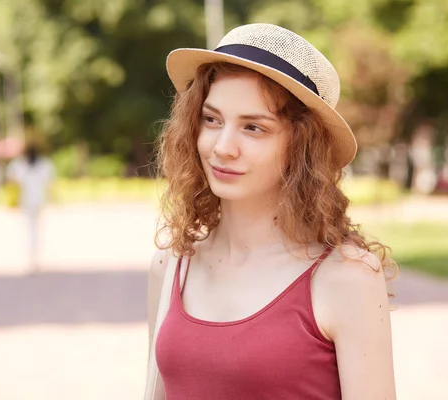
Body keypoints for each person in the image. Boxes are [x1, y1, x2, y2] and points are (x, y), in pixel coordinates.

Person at [146, 23, 398, 400]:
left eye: (253, 128)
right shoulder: (171, 265)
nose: (223, 147)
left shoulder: (347, 279)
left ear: (301, 148)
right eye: (211, 119)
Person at [6, 144, 55, 273]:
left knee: (30, 229)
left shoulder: (20, 165)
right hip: (36, 201)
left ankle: (32, 258)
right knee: (34, 229)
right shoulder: (43, 164)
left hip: (28, 201)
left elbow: (11, 179)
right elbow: (50, 182)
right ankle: (33, 258)